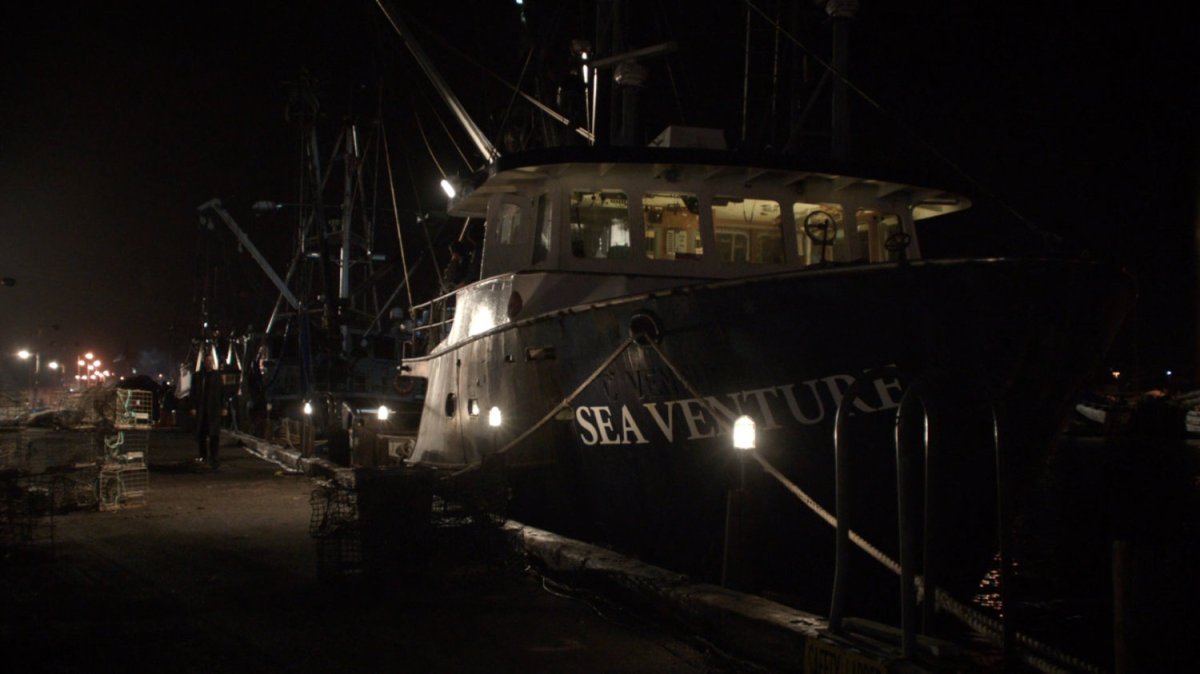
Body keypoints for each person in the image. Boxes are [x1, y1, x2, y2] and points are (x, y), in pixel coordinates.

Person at [193, 342, 226, 469]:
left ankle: (214, 457)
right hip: (202, 408)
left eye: (210, 361)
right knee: (201, 434)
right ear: (204, 362)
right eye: (207, 361)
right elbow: (193, 393)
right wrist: (193, 407)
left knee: (214, 435)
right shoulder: (198, 376)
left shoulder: (217, 376)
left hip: (214, 409)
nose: (209, 363)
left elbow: (222, 392)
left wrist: (224, 407)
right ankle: (203, 456)